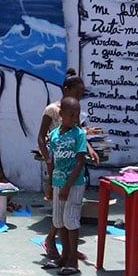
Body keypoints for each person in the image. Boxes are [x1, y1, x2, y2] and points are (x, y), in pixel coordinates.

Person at [37, 69, 99, 261]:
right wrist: (48, 159)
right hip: (57, 163)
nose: (79, 98)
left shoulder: (74, 111)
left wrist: (89, 148)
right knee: (60, 210)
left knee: (66, 212)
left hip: (70, 163)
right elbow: (41, 137)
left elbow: (80, 132)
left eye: (81, 95)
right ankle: (59, 246)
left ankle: (67, 251)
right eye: (77, 94)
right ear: (66, 90)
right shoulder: (52, 110)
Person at [48, 97, 87, 276]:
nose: (74, 119)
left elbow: (80, 163)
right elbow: (53, 160)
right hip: (58, 183)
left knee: (71, 220)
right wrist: (50, 185)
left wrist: (67, 186)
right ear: (61, 114)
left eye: (77, 115)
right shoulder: (55, 135)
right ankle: (63, 257)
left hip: (74, 184)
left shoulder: (79, 135)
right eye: (71, 115)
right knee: (59, 220)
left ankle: (73, 261)